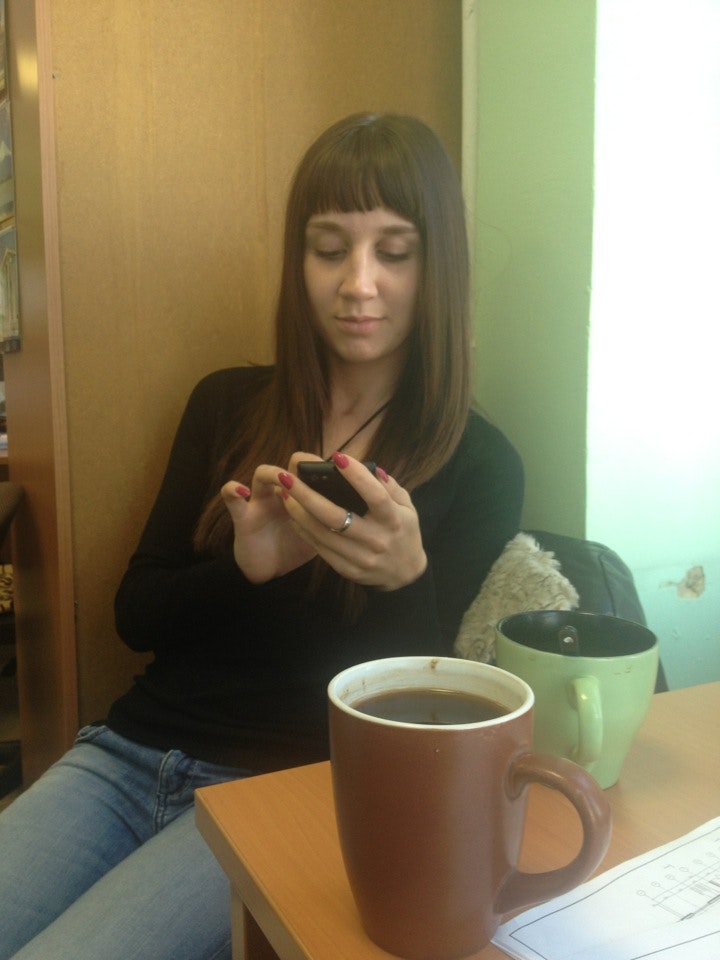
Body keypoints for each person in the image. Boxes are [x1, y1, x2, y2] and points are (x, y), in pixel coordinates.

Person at [0, 112, 523, 959]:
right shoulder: (225, 402)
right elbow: (135, 614)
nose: (358, 284)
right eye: (329, 249)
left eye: (395, 252)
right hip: (126, 754)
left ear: (438, 266)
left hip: (282, 786)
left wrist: (403, 578)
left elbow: (420, 725)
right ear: (298, 260)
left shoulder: (481, 462)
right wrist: (245, 569)